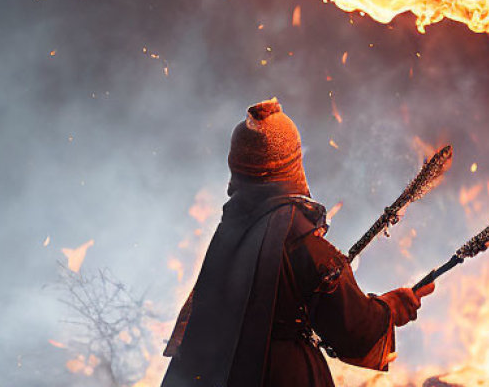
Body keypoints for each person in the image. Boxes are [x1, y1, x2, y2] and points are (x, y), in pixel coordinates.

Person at [162, 97, 435, 387]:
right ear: (290, 162)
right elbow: (353, 329)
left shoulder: (229, 229)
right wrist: (390, 308)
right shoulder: (300, 240)